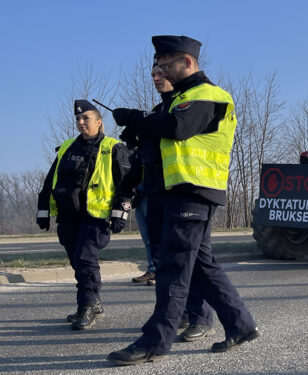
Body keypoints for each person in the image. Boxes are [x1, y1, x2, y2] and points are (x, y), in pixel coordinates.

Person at [107, 35, 258, 366]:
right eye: (158, 65)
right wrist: (141, 133)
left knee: (173, 268)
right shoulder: (181, 99)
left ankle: (154, 342)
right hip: (181, 192)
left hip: (193, 192)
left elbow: (177, 128)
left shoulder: (207, 95)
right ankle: (241, 325)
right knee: (203, 268)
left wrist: (135, 117)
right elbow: (166, 140)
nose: (161, 71)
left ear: (187, 62)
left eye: (165, 65)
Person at [120, 62, 217, 342]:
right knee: (164, 260)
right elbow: (148, 156)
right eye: (153, 74)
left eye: (161, 72)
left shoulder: (189, 106)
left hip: (189, 194)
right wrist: (138, 139)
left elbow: (178, 134)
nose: (156, 77)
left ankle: (201, 317)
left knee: (195, 260)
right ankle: (178, 313)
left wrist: (140, 120)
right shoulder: (161, 109)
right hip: (157, 193)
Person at [36, 100, 132, 330]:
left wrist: (121, 213)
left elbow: (126, 184)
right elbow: (50, 181)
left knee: (85, 258)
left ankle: (87, 306)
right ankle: (93, 301)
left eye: (85, 118)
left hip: (96, 216)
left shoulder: (113, 147)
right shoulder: (67, 147)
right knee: (77, 260)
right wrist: (43, 211)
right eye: (78, 119)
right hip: (68, 215)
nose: (80, 122)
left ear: (99, 122)